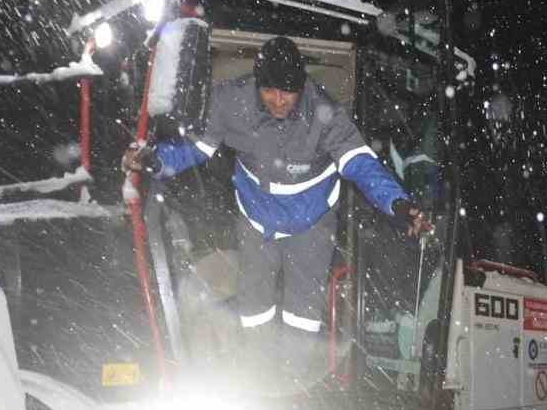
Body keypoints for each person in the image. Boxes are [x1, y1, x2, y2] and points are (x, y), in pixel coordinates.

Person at [123, 35, 431, 385]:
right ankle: (258, 382)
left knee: (302, 316)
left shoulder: (324, 113)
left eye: (288, 92)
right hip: (257, 219)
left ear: (301, 87)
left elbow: (361, 163)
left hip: (311, 222)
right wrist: (155, 159)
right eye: (270, 91)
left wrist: (398, 204)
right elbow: (196, 148)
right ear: (258, 84)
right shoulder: (230, 101)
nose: (279, 100)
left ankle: (294, 386)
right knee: (254, 310)